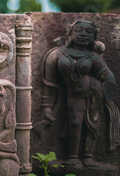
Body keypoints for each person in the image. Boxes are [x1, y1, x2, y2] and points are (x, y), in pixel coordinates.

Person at [42, 20, 119, 166]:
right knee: (75, 122)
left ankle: (88, 156)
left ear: (94, 37)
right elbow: (49, 82)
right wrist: (47, 106)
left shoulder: (92, 57)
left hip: (94, 92)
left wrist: (108, 94)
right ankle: (73, 157)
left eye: (89, 32)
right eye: (78, 30)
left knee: (92, 124)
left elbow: (109, 77)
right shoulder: (58, 54)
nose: (83, 34)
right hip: (74, 94)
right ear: (70, 33)